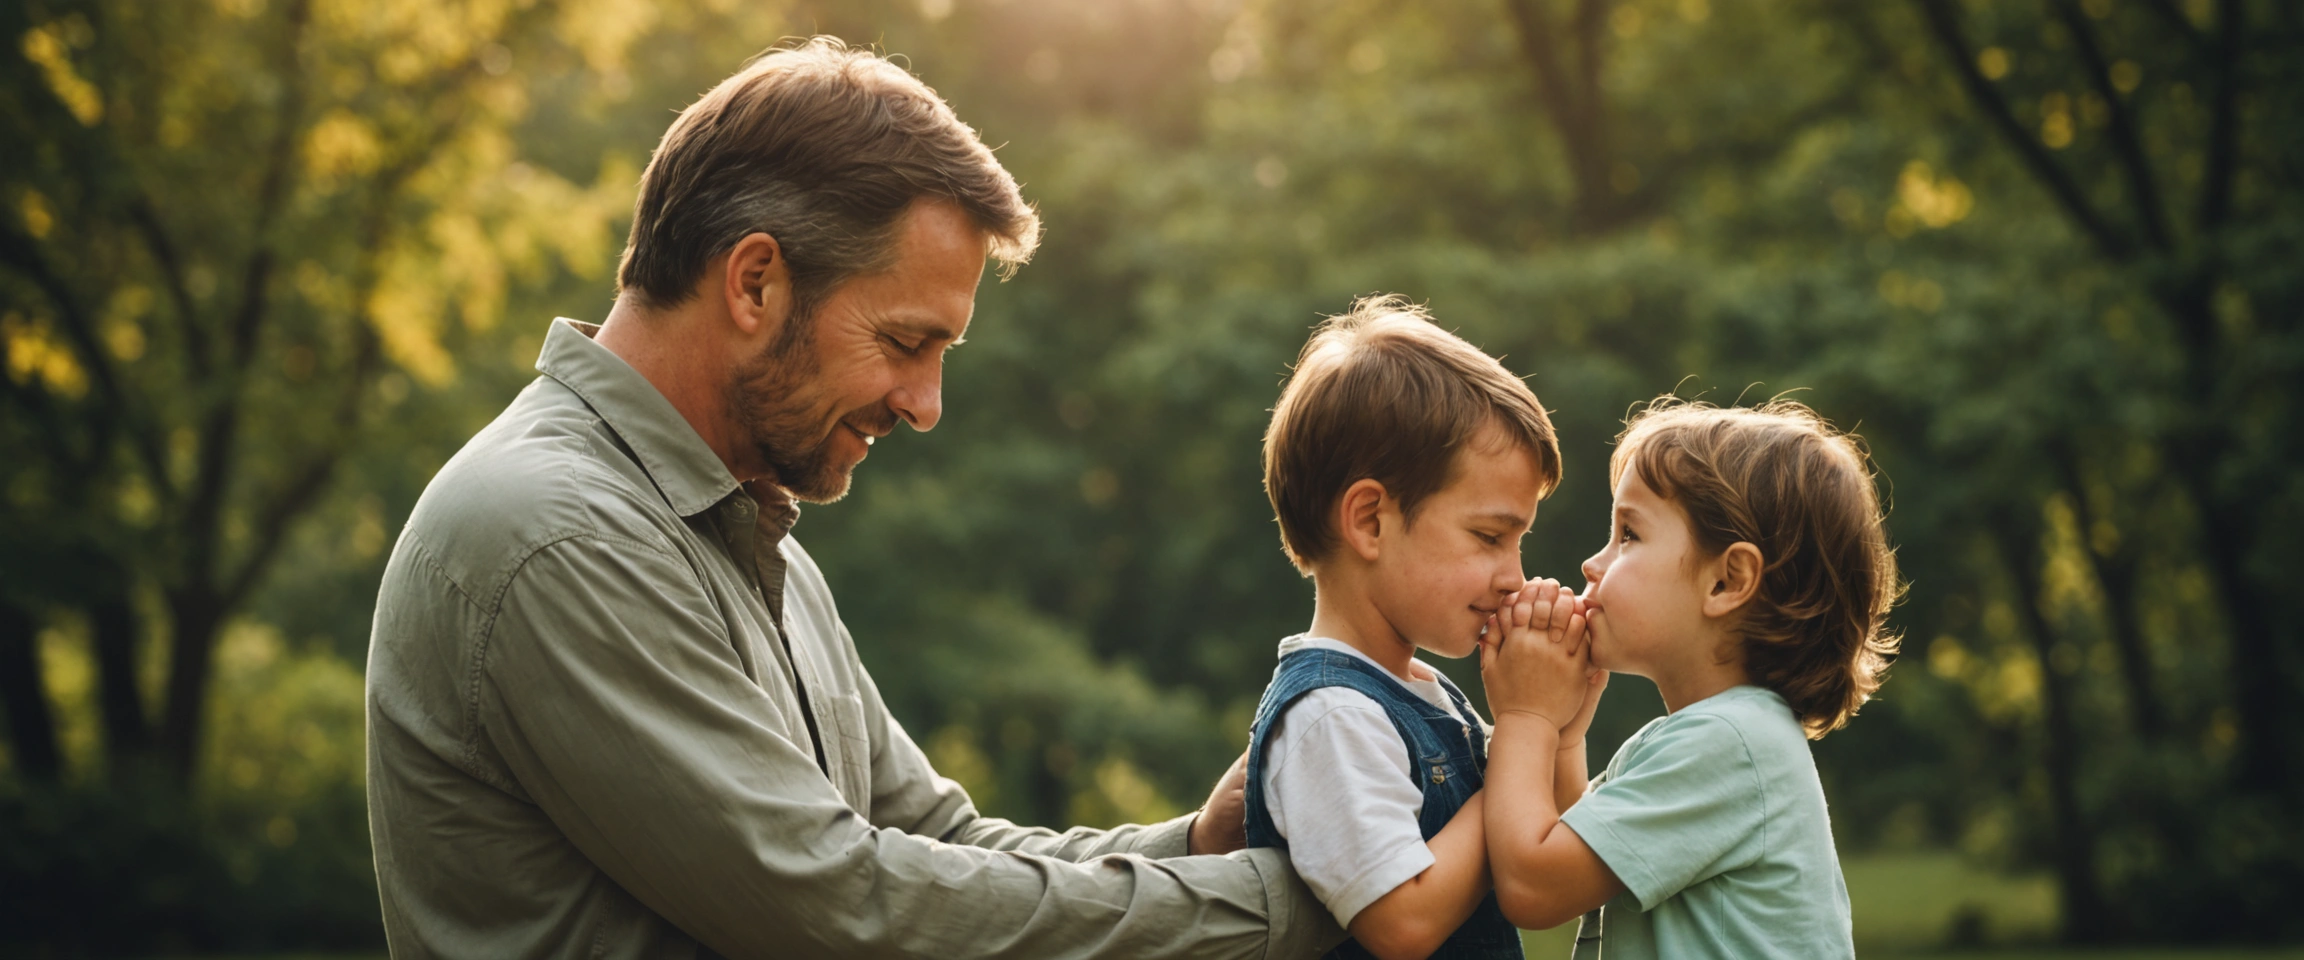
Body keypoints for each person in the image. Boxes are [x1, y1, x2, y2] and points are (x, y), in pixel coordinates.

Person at [363, 38, 1340, 959]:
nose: (926, 407)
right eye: (906, 344)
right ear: (755, 283)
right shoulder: (556, 533)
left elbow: (930, 839)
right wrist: (1286, 911)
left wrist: (1202, 849)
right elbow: (839, 909)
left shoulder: (756, 539)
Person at [1476, 399, 1901, 959]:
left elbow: (1535, 885)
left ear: (1727, 581)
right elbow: (1577, 858)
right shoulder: (1720, 736)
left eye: (1628, 534)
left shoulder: (1729, 744)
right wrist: (1563, 735)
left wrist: (1525, 715)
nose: (1592, 565)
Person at [1241, 296, 1562, 960]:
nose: (1513, 576)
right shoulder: (1330, 716)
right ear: (1369, 522)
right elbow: (1402, 919)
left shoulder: (1429, 694)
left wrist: (1559, 723)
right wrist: (1518, 744)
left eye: (1518, 543)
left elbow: (1548, 854)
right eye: (1489, 537)